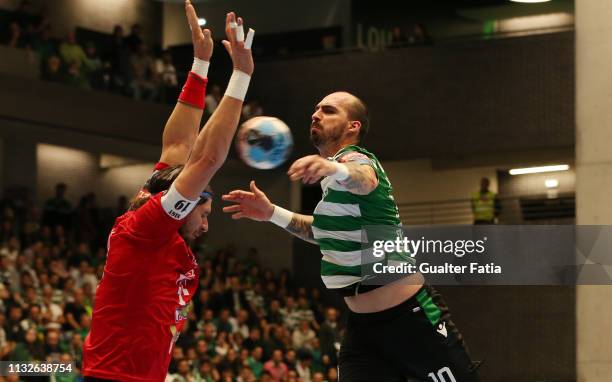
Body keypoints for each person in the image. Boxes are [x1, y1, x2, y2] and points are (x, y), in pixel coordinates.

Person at [222, 91, 480, 381]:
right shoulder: (336, 185)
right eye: (316, 109)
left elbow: (364, 178)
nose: (315, 114)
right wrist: (271, 213)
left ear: (352, 126)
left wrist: (334, 167)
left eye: (329, 110)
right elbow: (325, 233)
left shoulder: (357, 162)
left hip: (412, 320)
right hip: (363, 329)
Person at [82, 2, 255, 380]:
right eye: (204, 213)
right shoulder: (148, 226)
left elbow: (178, 146)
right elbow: (206, 158)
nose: (207, 226)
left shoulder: (148, 211)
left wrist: (200, 64)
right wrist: (240, 76)